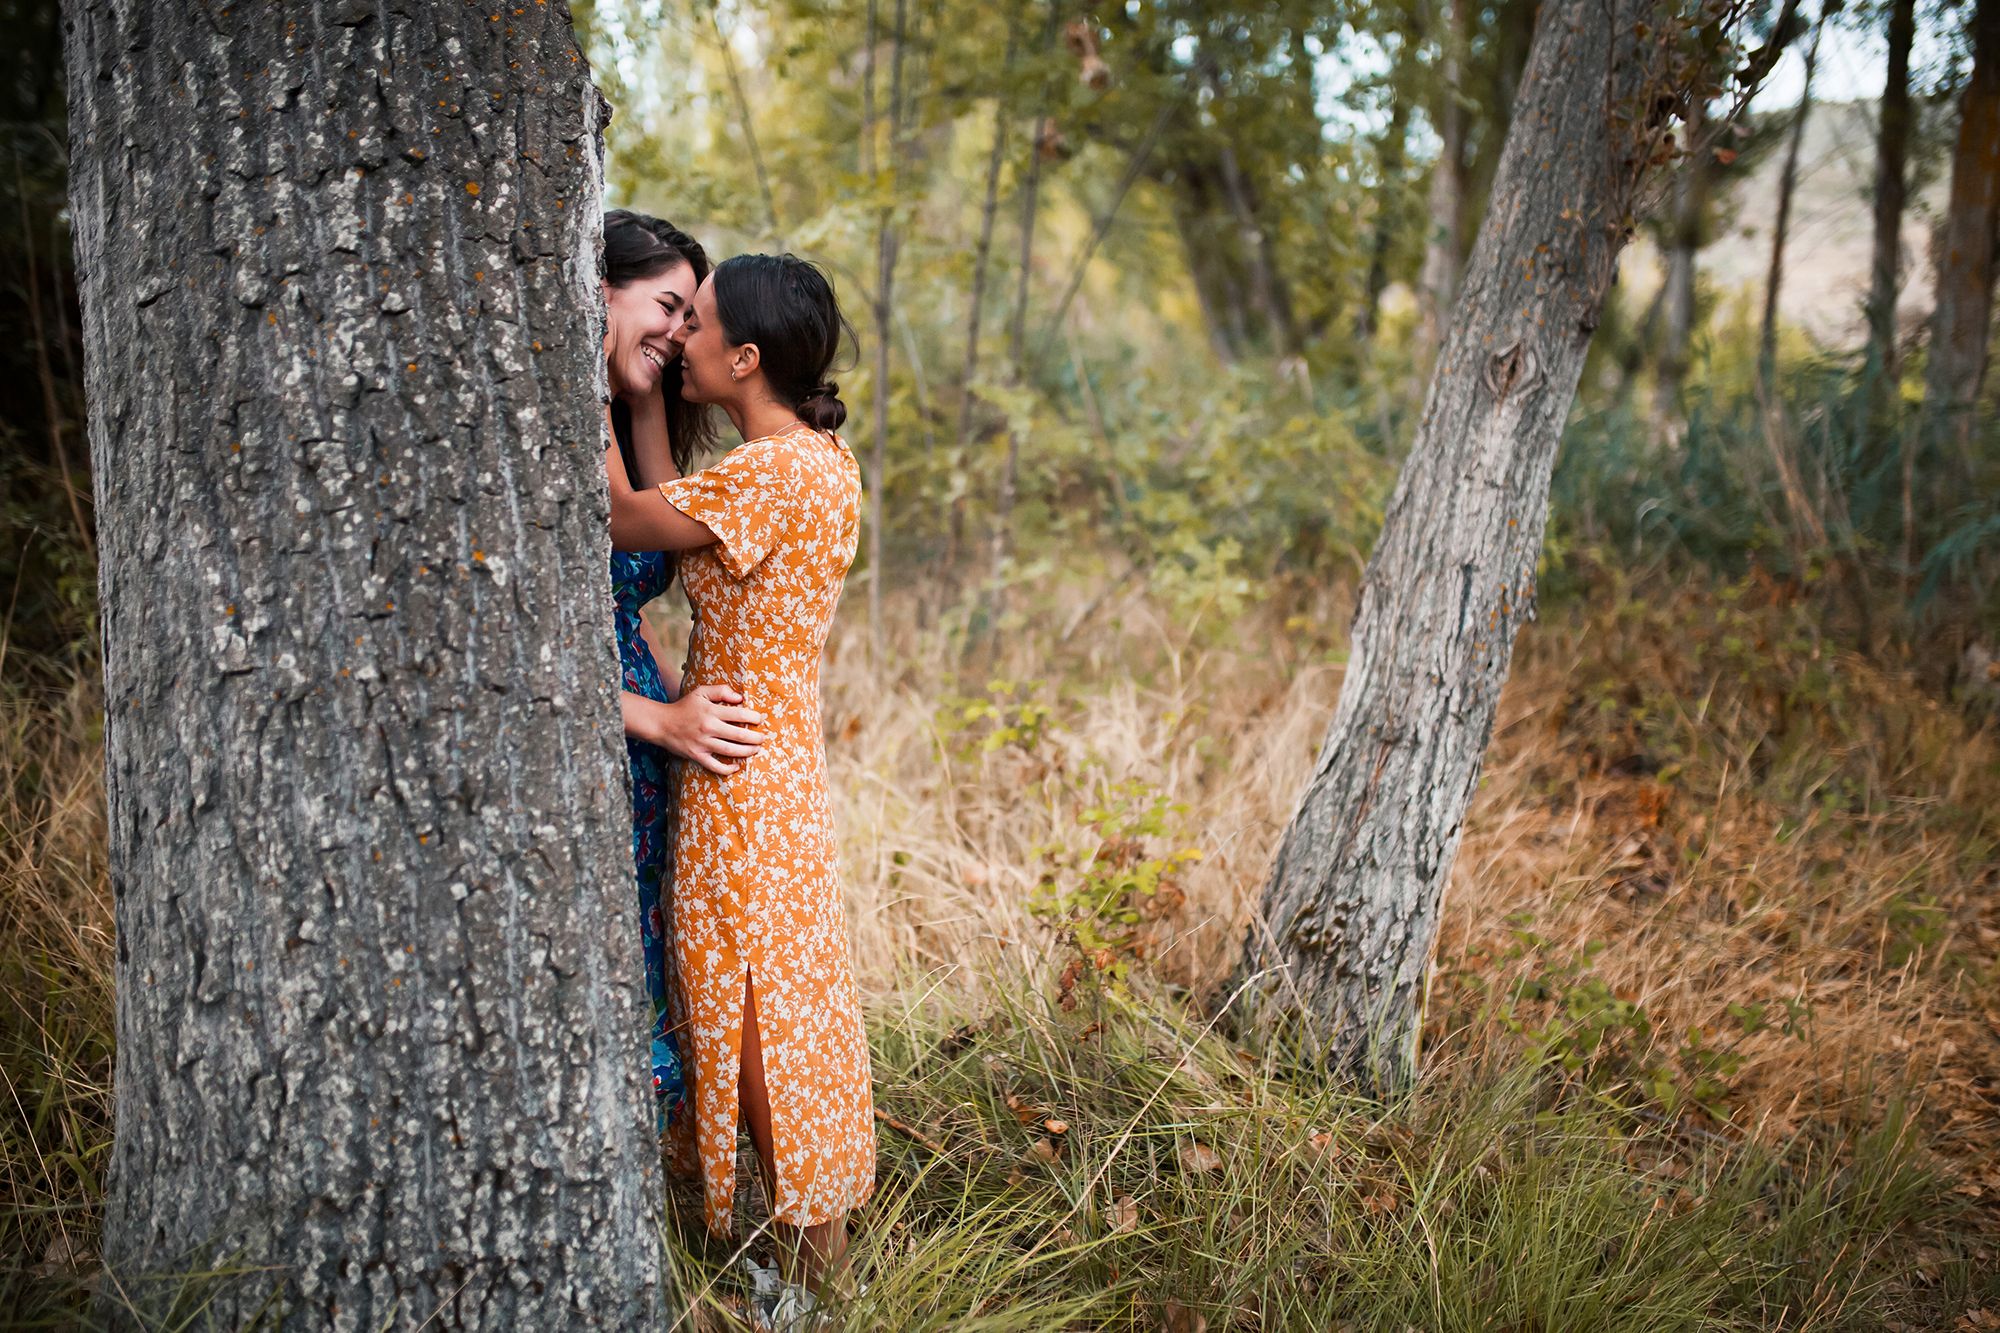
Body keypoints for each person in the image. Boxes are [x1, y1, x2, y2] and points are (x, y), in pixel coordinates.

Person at [608, 253, 874, 1318]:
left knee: (764, 1014)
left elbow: (627, 518)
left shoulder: (773, 472)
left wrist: (600, 386)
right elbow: (667, 497)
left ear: (745, 357)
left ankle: (820, 1286)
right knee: (764, 1000)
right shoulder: (804, 460)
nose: (681, 336)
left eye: (699, 321)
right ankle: (803, 1267)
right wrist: (639, 408)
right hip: (762, 759)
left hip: (743, 775)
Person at [599, 212, 767, 1133]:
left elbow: (624, 596)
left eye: (689, 319)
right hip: (606, 734)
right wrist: (656, 718)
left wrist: (670, 702)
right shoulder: (552, 428)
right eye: (667, 305)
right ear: (597, 292)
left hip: (646, 742)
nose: (677, 333)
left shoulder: (625, 426)